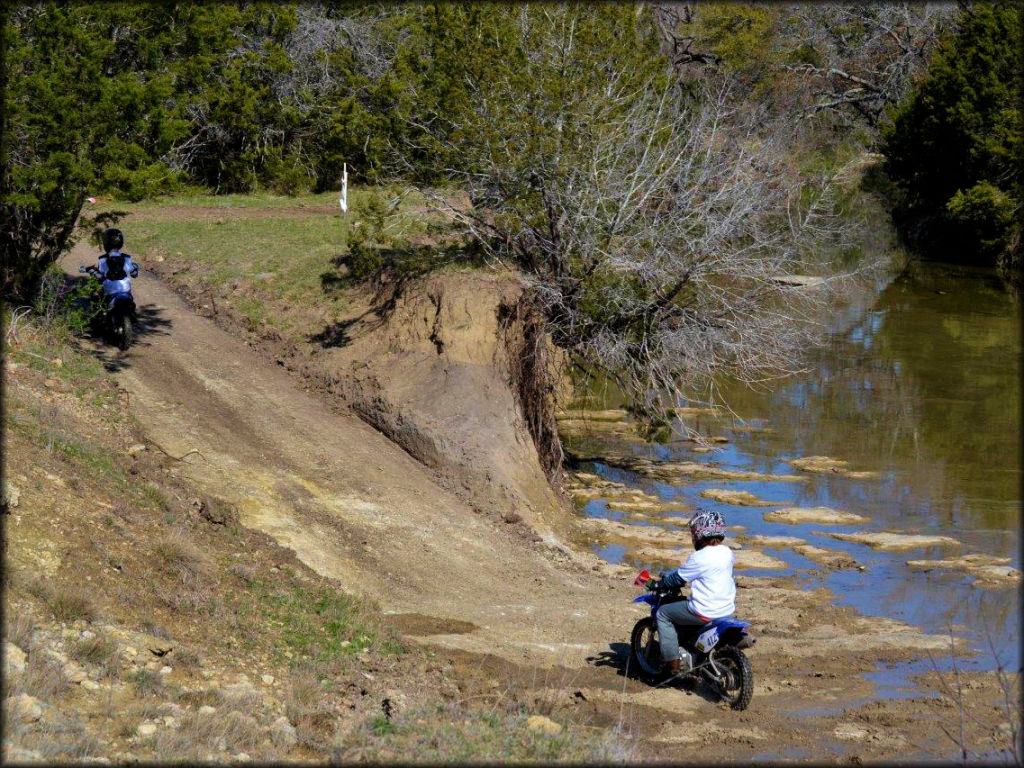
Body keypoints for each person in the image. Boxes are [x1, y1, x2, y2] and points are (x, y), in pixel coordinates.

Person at [648, 508, 735, 675]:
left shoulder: (699, 557)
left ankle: (672, 663)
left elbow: (678, 579)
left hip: (704, 610)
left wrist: (658, 584)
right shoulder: (727, 552)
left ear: (699, 532)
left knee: (663, 614)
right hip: (725, 609)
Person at [89, 227, 139, 308]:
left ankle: (96, 315)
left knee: (95, 295)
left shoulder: (102, 259)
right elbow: (134, 274)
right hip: (125, 288)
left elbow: (100, 276)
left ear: (106, 243)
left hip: (109, 289)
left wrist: (92, 272)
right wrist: (136, 270)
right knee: (130, 299)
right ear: (121, 242)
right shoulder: (127, 258)